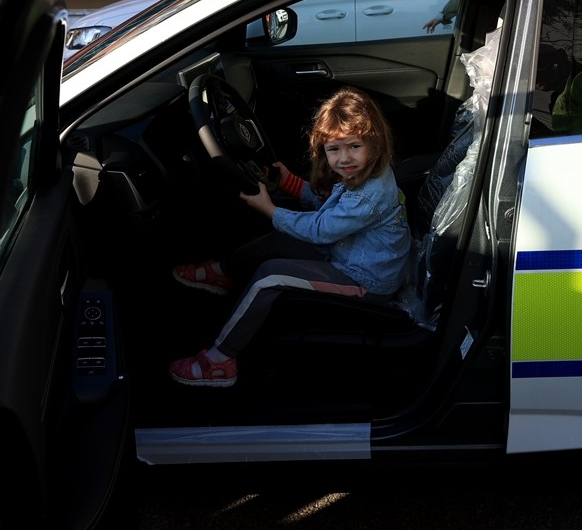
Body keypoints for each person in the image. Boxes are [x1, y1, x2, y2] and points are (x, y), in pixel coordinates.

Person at [168, 86, 412, 387]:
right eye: (334, 149)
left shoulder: (369, 195)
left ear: (375, 144)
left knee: (268, 276)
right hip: (350, 253)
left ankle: (219, 361)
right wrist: (290, 183)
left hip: (365, 281)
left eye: (354, 147)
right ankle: (221, 273)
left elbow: (320, 229)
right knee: (280, 239)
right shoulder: (363, 174)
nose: (344, 158)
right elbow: (327, 207)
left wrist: (270, 210)